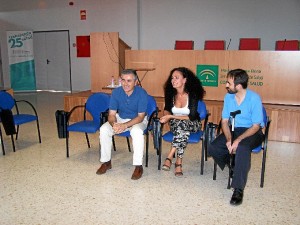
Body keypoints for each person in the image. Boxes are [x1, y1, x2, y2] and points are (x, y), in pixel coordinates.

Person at [208, 69, 264, 206]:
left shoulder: (254, 98)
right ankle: (234, 166)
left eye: (229, 83)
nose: (226, 85)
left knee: (243, 148)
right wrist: (229, 139)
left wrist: (237, 140)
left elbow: (256, 126)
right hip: (235, 129)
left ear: (238, 86)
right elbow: (224, 121)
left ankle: (238, 189)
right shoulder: (228, 97)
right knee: (213, 147)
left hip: (253, 131)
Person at [96, 69, 148, 180]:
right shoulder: (116, 92)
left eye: (129, 81)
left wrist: (124, 126)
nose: (125, 84)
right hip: (121, 118)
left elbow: (140, 117)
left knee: (136, 132)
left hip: (138, 120)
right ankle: (106, 162)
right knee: (104, 129)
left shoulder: (142, 93)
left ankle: (138, 166)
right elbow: (111, 114)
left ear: (135, 82)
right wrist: (114, 124)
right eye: (123, 80)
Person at [159, 67, 205, 177]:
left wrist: (171, 116)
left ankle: (170, 156)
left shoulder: (192, 94)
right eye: (172, 78)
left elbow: (192, 116)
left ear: (184, 80)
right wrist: (167, 116)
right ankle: (178, 162)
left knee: (182, 127)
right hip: (176, 124)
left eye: (176, 78)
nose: (173, 80)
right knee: (181, 129)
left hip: (192, 123)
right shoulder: (170, 93)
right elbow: (167, 109)